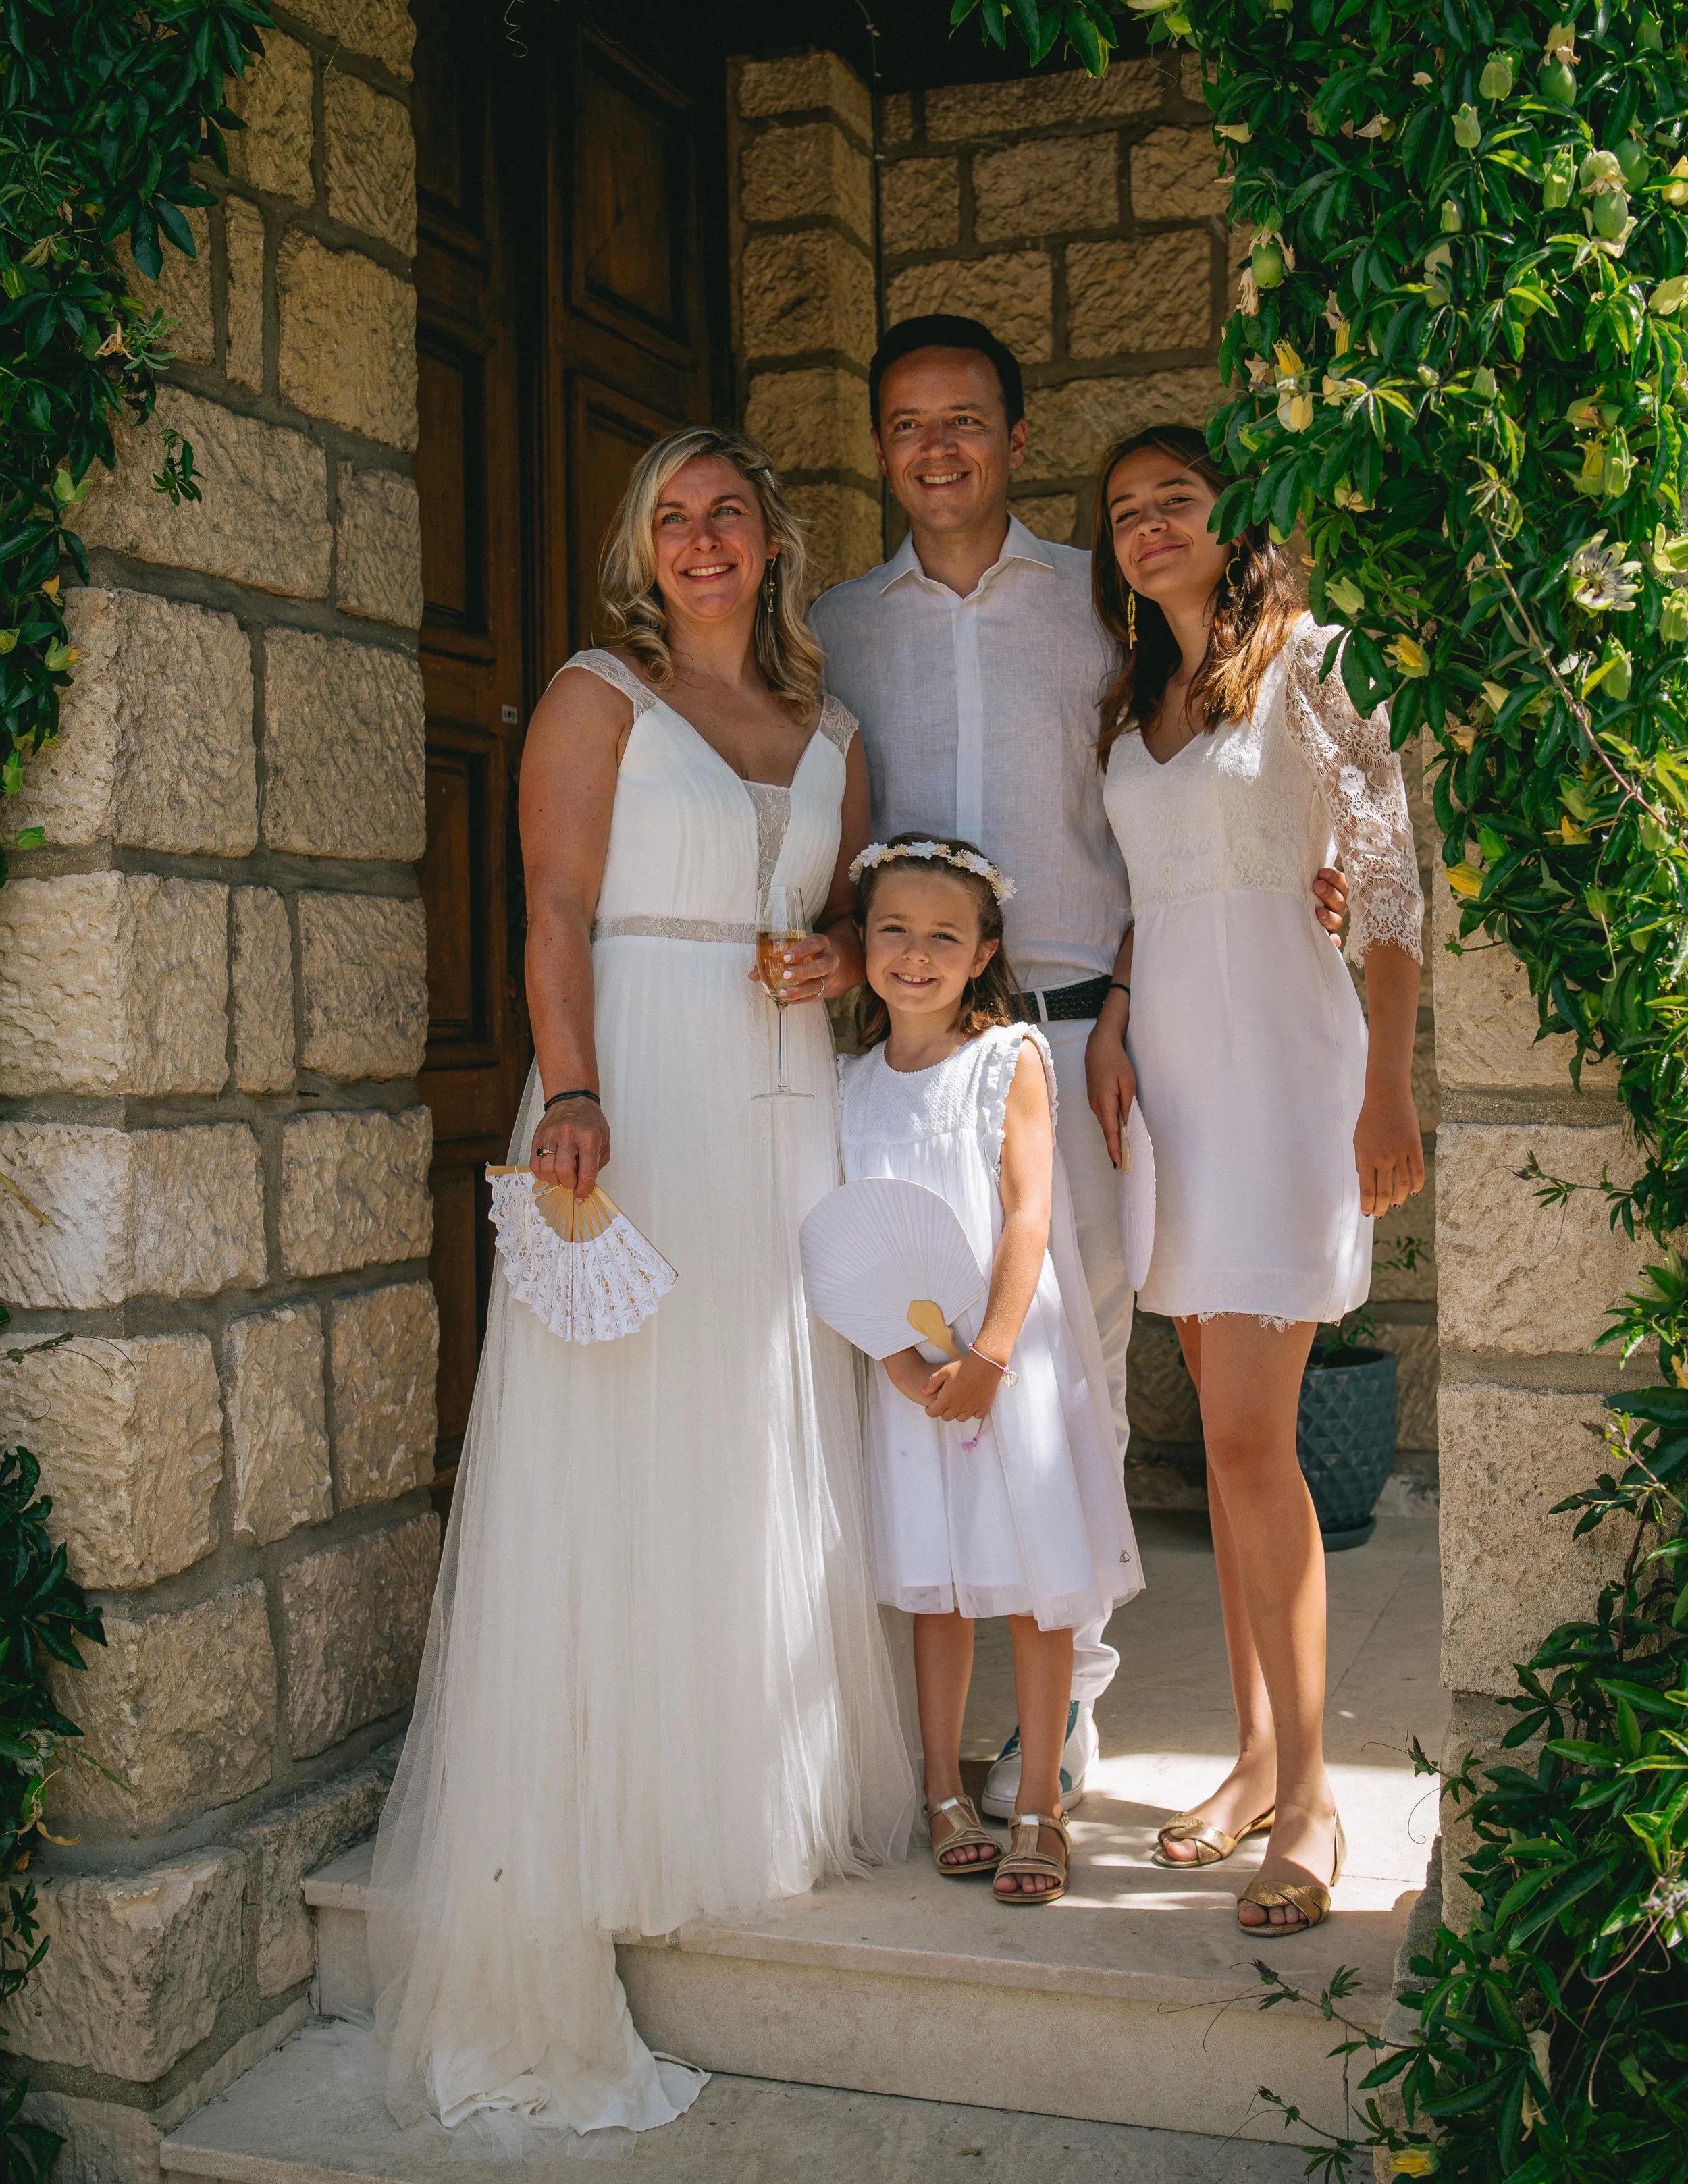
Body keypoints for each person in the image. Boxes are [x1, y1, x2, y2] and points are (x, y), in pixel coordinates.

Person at [365, 426, 916, 2148]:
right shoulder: (595, 693)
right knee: (619, 1433)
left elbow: (845, 918)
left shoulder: (835, 734)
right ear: (641, 549)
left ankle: (745, 1790)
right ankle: (599, 1815)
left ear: (770, 543)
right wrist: (572, 1088)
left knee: (761, 1416)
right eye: (670, 520)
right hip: (633, 1094)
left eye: (725, 516)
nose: (699, 542)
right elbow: (548, 906)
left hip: (783, 1103)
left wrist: (833, 961)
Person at [809, 314, 1348, 1821]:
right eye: (907, 423)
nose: (936, 447)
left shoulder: (1098, 613)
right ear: (878, 447)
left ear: (1014, 440)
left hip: (1083, 1038)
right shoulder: (841, 630)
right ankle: (912, 1729)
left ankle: (1074, 1714)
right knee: (907, 1361)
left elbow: (1186, 796)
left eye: (964, 420)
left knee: (1078, 1378)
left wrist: (1314, 887)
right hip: (909, 1055)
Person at [1086, 423, 1425, 1934]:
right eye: (1122, 512)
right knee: (1223, 1458)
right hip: (1176, 1099)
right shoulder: (1134, 703)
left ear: (1235, 521)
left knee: (1245, 1446)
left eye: (1175, 501)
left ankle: (1312, 1803)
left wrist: (1385, 1086)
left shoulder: (1311, 660)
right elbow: (1148, 910)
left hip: (1288, 1084)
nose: (1148, 525)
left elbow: (1394, 880)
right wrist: (1109, 1026)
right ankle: (1241, 1759)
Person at [836, 832, 1140, 1905]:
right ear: (862, 942)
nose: (915, 956)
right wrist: (906, 1363)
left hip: (1010, 1353)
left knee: (1034, 1580)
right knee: (941, 1580)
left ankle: (1044, 1803)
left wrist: (994, 1353)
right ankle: (941, 1790)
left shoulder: (1007, 1056)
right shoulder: (850, 1084)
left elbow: (1028, 1211)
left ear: (984, 952)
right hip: (916, 1369)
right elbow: (852, 1238)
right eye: (894, 932)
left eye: (943, 937)